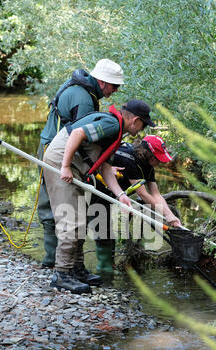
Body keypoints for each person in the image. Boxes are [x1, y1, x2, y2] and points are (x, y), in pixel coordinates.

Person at [42, 99, 155, 294]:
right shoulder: (111, 125)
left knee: (81, 219)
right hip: (60, 162)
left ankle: (76, 269)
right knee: (72, 220)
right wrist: (66, 166)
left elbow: (105, 167)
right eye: (144, 124)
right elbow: (77, 133)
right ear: (135, 120)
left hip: (73, 166)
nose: (142, 129)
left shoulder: (116, 132)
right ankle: (62, 274)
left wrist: (120, 195)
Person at [37, 59, 124, 268]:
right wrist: (100, 165)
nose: (116, 90)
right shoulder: (83, 98)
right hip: (56, 152)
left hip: (51, 148)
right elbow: (80, 137)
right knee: (60, 205)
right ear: (102, 82)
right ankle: (57, 263)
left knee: (54, 203)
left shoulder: (82, 89)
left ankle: (59, 261)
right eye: (115, 86)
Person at [92, 135, 182, 273]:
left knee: (107, 229)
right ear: (148, 154)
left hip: (112, 193)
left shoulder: (148, 165)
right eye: (157, 158)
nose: (160, 162)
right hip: (96, 189)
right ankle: (103, 269)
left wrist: (170, 216)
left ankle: (108, 266)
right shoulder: (129, 159)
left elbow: (156, 194)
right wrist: (166, 215)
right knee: (99, 227)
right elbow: (143, 194)